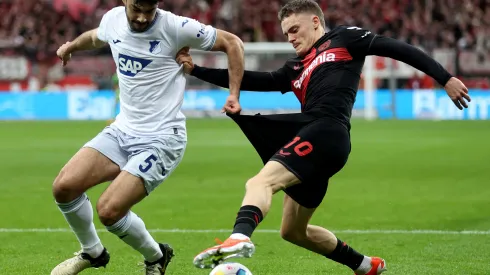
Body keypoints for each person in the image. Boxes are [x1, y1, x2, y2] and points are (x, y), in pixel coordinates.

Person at [175, 0, 470, 274]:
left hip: (327, 130)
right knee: (293, 231)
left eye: (294, 29)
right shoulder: (295, 67)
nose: (290, 37)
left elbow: (397, 49)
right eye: (285, 33)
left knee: (260, 182)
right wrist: (197, 70)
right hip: (316, 139)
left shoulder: (345, 38)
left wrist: (445, 78)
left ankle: (238, 237)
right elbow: (259, 80)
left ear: (315, 22)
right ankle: (365, 265)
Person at [51, 0, 244, 274]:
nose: (142, 18)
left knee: (109, 210)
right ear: (124, 2)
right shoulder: (114, 18)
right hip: (123, 130)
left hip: (162, 138)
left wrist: (234, 94)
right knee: (64, 187)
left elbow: (232, 42)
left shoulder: (177, 27)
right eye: (136, 10)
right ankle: (92, 252)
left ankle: (156, 257)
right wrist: (71, 46)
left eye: (149, 10)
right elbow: (96, 36)